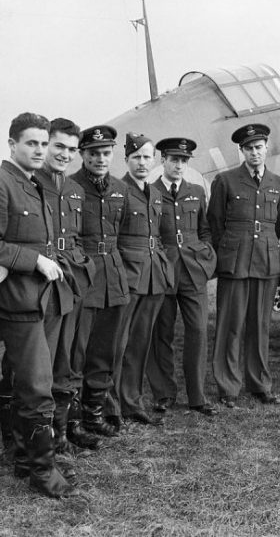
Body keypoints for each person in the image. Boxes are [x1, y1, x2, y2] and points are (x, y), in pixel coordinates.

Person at [0, 112, 78, 497]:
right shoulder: (3, 182)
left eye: (43, 143)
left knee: (26, 382)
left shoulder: (31, 184)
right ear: (12, 143)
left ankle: (23, 459)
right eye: (31, 143)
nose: (39, 150)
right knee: (36, 386)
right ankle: (43, 472)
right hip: (18, 301)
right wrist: (37, 261)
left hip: (38, 299)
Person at [31, 118, 99, 452]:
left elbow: (77, 237)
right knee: (36, 363)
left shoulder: (74, 189)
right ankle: (31, 441)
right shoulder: (32, 183)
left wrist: (84, 265)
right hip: (41, 283)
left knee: (70, 358)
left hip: (71, 282)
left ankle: (61, 431)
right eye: (59, 146)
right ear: (46, 145)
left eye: (72, 149)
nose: (64, 154)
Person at [207, 124, 280, 408]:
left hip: (265, 262)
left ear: (267, 148)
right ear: (241, 151)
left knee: (260, 326)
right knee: (231, 326)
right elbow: (215, 223)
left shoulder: (278, 184)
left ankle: (259, 384)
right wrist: (228, 251)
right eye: (249, 148)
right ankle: (228, 387)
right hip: (235, 262)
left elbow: (277, 226)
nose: (255, 152)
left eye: (259, 147)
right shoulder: (225, 181)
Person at [148, 137, 217, 416]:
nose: (179, 165)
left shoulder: (196, 192)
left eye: (184, 161)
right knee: (161, 333)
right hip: (164, 270)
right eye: (174, 159)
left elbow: (205, 230)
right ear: (162, 160)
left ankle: (197, 396)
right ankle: (163, 394)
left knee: (198, 331)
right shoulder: (150, 192)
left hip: (193, 271)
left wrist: (206, 256)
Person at [70, 125, 130, 437]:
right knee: (77, 352)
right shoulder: (71, 187)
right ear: (83, 154)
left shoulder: (121, 189)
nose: (101, 158)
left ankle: (94, 415)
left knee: (105, 351)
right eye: (94, 153)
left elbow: (127, 234)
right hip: (85, 279)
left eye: (106, 153)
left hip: (114, 279)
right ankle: (72, 421)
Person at [113, 133, 172, 425]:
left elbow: (156, 235)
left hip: (152, 277)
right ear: (126, 160)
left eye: (147, 157)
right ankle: (110, 406)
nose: (142, 162)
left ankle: (132, 402)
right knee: (117, 344)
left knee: (139, 344)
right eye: (136, 157)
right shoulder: (117, 190)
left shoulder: (156, 194)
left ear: (154, 160)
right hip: (127, 275)